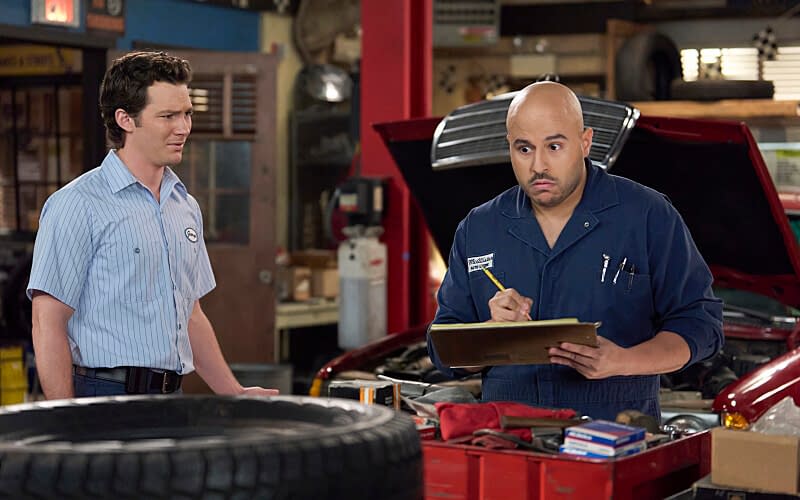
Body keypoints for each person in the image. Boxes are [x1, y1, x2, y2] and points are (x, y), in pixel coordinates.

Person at [428, 81, 723, 421]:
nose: (538, 165)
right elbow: (442, 349)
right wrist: (491, 333)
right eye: (524, 149)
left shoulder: (647, 215)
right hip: (510, 436)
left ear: (585, 142)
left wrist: (624, 361)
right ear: (509, 146)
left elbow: (701, 325)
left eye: (554, 146)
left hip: (616, 435)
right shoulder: (479, 228)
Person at [27, 51, 278, 399]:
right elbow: (47, 321)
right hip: (104, 395)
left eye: (187, 114)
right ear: (125, 119)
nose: (183, 128)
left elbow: (191, 315)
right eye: (168, 116)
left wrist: (234, 393)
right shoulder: (77, 204)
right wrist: (66, 418)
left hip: (170, 397)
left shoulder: (185, 206)